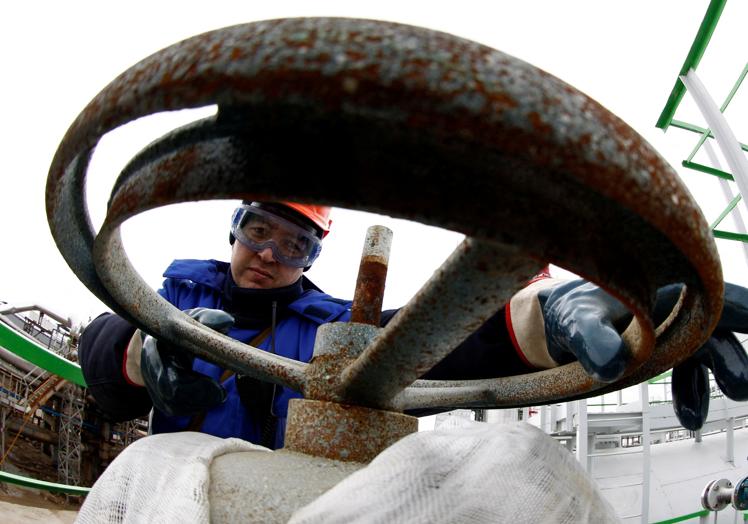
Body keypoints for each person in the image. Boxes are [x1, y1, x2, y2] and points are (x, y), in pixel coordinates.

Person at [78, 201, 748, 450]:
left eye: (296, 246)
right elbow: (101, 352)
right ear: (235, 226)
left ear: (314, 257)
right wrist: (142, 350)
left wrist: (544, 314)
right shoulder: (170, 301)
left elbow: (446, 342)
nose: (270, 257)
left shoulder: (331, 329)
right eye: (259, 233)